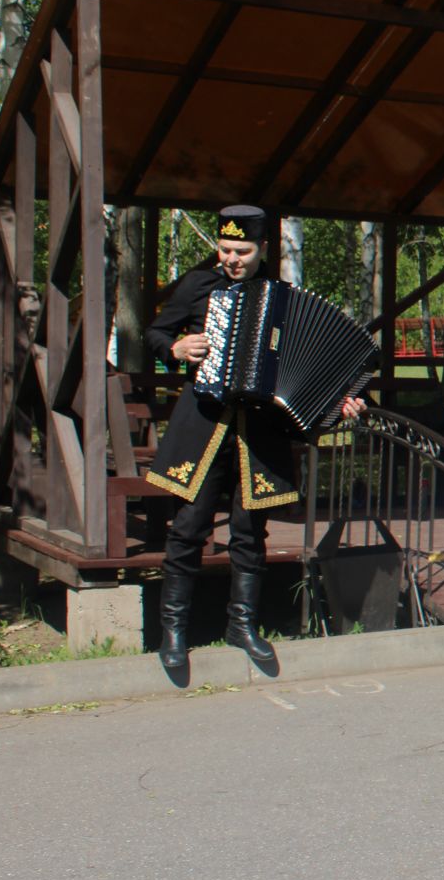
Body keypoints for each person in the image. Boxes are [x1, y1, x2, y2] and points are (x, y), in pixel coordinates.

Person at [145, 205, 364, 676]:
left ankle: (241, 626)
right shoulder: (197, 287)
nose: (231, 259)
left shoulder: (280, 297)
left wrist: (339, 403)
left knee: (250, 533)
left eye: (241, 251)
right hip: (204, 425)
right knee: (189, 528)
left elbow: (313, 374)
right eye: (224, 249)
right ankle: (174, 633)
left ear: (261, 248)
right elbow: (156, 333)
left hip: (256, 435)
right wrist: (177, 348)